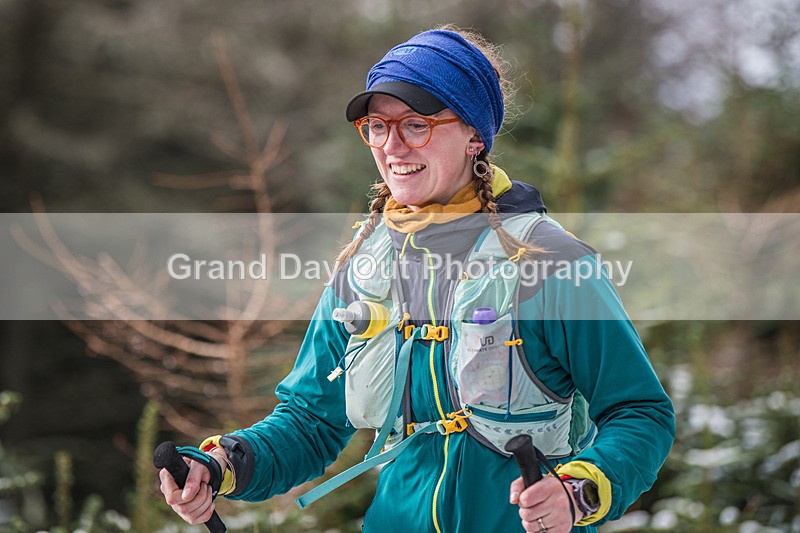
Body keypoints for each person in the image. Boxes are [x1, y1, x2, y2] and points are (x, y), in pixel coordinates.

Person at [159, 26, 675, 533]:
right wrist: (221, 466)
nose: (392, 146)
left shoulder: (551, 263)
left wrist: (578, 491)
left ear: (474, 136)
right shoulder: (363, 268)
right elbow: (311, 421)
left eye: (415, 124)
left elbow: (640, 412)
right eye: (377, 127)